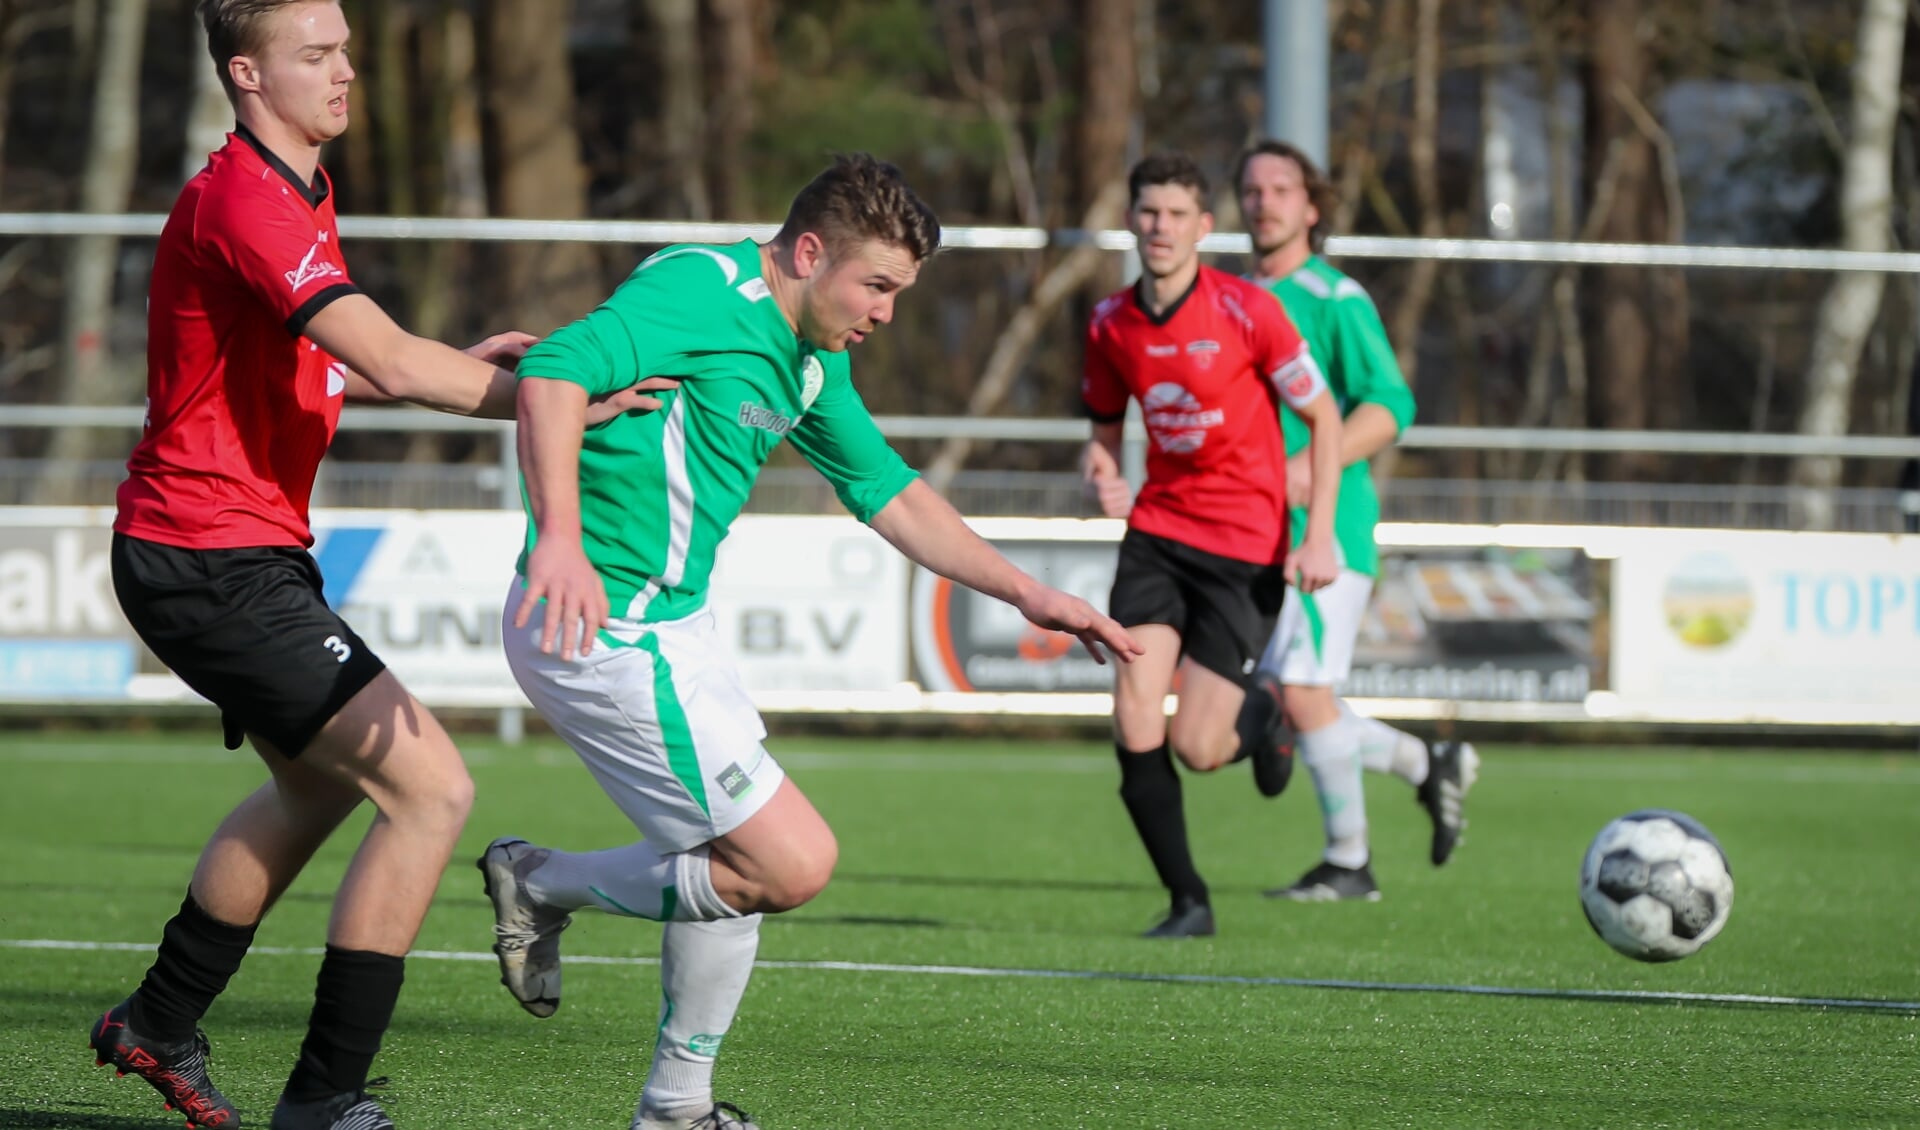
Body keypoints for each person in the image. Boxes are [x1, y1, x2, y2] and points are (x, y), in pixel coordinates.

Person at [88, 4, 670, 1128]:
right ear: (248, 75)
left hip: (230, 547)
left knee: (315, 784)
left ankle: (157, 1020)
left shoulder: (295, 184)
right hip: (205, 553)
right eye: (319, 55)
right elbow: (390, 360)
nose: (348, 71)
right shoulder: (247, 199)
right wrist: (553, 400)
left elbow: (343, 366)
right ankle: (323, 1099)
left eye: (348, 45)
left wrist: (459, 365)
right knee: (431, 789)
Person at [478, 152, 1142, 1130]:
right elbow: (550, 371)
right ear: (809, 249)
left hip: (672, 628)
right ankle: (541, 881)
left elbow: (889, 491)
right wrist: (562, 539)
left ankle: (676, 1105)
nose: (884, 312)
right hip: (601, 628)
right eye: (875, 284)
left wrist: (1031, 591)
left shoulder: (810, 357)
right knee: (789, 861)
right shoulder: (703, 289)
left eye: (899, 293)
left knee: (730, 863)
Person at [1078, 152, 1345, 938]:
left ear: (1205, 226)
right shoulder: (1109, 322)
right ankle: (1189, 900)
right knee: (1134, 716)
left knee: (1198, 747)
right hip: (1158, 535)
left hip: (1245, 547)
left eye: (1176, 214)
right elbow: (1100, 431)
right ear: (1131, 220)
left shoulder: (1248, 311)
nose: (1159, 227)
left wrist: (1319, 532)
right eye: (1148, 212)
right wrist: (1098, 466)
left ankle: (1265, 718)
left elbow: (1327, 421)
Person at [1234, 139, 1479, 902]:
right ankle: (1426, 765)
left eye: (1282, 188)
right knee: (1291, 694)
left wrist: (1313, 470)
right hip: (1251, 530)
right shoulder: (1230, 297)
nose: (1264, 200)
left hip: (1325, 531)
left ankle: (1350, 864)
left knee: (1302, 695)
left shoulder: (1334, 298)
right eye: (1251, 188)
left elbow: (1390, 404)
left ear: (1312, 208)